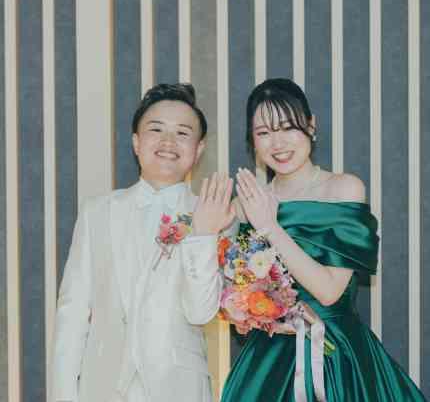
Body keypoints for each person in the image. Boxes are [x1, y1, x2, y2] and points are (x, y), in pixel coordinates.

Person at [221, 78, 427, 401]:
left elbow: (329, 292)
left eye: (288, 127)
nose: (278, 143)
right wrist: (243, 312)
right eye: (264, 133)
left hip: (334, 355)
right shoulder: (245, 204)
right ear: (253, 141)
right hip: (266, 362)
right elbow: (237, 296)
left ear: (311, 125)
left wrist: (270, 227)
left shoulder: (343, 189)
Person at [50, 83, 235, 402]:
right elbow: (72, 313)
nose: (168, 141)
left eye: (182, 133)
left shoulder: (218, 214)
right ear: (136, 142)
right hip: (102, 388)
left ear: (199, 149)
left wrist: (205, 235)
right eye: (156, 129)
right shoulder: (97, 212)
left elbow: (201, 312)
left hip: (179, 390)